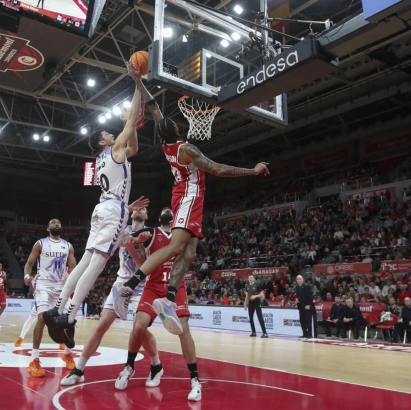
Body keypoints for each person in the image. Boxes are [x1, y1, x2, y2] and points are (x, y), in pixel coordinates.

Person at [113, 71, 269, 335]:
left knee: (190, 253)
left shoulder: (167, 144)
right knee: (175, 247)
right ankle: (128, 288)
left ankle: (169, 298)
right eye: (174, 123)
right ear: (175, 129)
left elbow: (153, 108)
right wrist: (251, 171)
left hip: (189, 196)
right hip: (188, 196)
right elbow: (217, 169)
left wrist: (139, 83)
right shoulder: (187, 149)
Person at [44, 73, 145, 346]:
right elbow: (133, 118)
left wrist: (130, 126)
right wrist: (137, 86)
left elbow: (133, 144)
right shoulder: (113, 151)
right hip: (112, 210)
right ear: (103, 142)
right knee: (97, 264)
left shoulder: (105, 157)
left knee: (87, 260)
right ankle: (70, 316)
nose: (112, 133)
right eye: (107, 134)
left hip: (101, 209)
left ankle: (59, 307)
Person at [60, 208, 158, 387]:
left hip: (142, 285)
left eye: (144, 209)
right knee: (101, 325)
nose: (140, 210)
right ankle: (79, 370)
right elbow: (108, 243)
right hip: (121, 283)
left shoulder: (149, 234)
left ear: (147, 216)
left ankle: (156, 365)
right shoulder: (122, 229)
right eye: (138, 207)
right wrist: (125, 240)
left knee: (140, 328)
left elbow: (144, 265)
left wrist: (130, 245)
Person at [114, 209, 202, 402]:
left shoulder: (184, 235)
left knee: (184, 330)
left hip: (175, 287)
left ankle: (195, 380)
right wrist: (129, 239)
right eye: (163, 210)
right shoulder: (152, 233)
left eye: (170, 209)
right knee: (138, 326)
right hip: (153, 286)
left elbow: (191, 254)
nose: (166, 210)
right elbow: (127, 239)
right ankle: (129, 367)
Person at [20, 218, 77, 377]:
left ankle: (67, 353)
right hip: (43, 284)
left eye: (59, 223)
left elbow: (74, 267)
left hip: (61, 286)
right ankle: (34, 360)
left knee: (69, 319)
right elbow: (29, 263)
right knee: (42, 318)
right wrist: (26, 274)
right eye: (53, 223)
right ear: (48, 228)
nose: (57, 224)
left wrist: (75, 278)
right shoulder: (40, 243)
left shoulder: (68, 246)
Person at [294, 274, 315, 339]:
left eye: (300, 279)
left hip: (307, 307)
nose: (299, 280)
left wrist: (309, 305)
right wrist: (296, 300)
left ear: (303, 279)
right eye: (298, 279)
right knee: (302, 321)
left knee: (308, 321)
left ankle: (309, 334)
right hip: (301, 307)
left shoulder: (306, 286)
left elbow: (311, 297)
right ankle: (304, 334)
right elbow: (297, 296)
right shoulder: (297, 288)